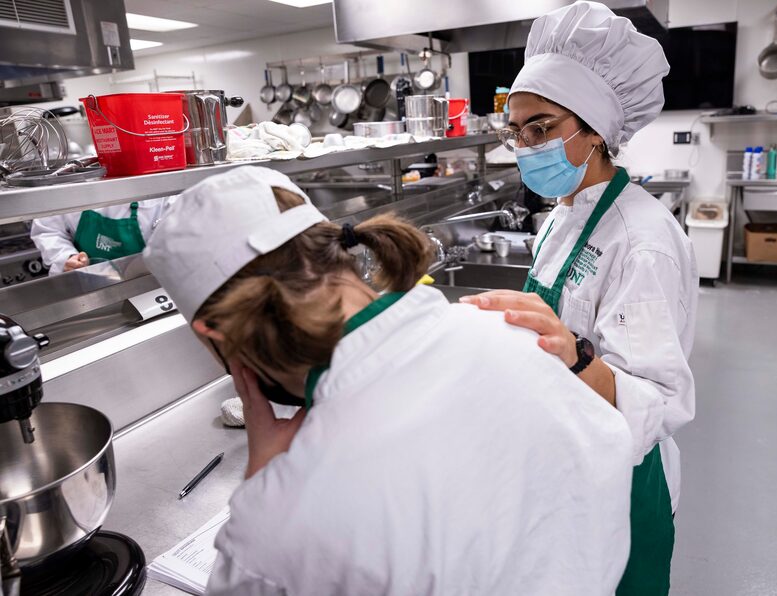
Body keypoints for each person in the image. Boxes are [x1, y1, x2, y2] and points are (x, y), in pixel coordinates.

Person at [143, 166, 634, 595]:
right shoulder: (516, 336)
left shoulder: (282, 522)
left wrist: (262, 484)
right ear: (336, 249)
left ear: (215, 333)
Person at [460, 3, 698, 595]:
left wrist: (574, 357)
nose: (523, 145)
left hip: (624, 478)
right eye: (516, 131)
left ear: (595, 130)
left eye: (541, 127)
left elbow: (660, 402)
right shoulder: (562, 216)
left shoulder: (642, 240)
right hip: (564, 454)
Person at [30, 198, 172, 274]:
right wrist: (66, 257)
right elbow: (48, 230)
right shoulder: (74, 187)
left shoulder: (161, 194)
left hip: (147, 293)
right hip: (86, 291)